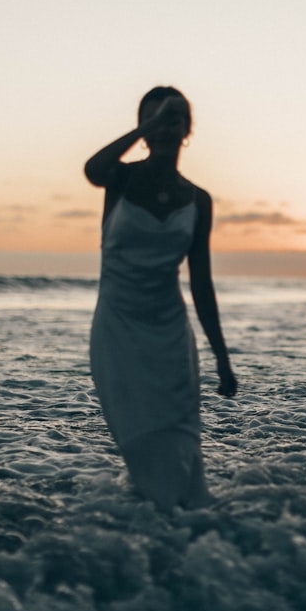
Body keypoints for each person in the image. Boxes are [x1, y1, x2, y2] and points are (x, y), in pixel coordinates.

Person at [84, 86, 237, 511]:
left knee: (179, 440)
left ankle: (179, 533)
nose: (166, 128)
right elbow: (93, 169)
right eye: (156, 119)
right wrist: (148, 125)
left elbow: (202, 285)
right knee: (140, 439)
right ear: (143, 127)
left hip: (170, 335)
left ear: (188, 128)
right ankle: (154, 523)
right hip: (118, 333)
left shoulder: (199, 200)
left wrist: (222, 357)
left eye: (174, 119)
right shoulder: (121, 179)